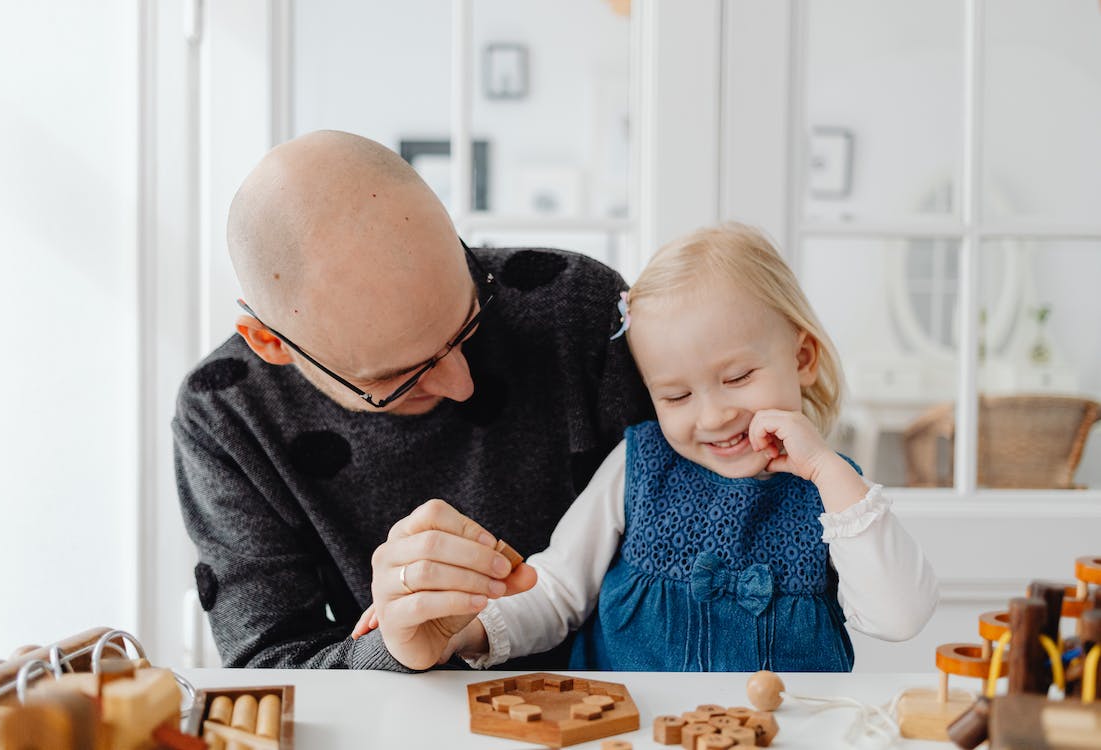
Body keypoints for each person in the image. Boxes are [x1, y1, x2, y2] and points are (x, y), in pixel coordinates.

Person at [172, 130, 652, 671]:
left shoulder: (576, 309)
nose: (462, 385)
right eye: (401, 376)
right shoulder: (227, 412)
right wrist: (393, 647)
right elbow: (269, 666)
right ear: (271, 343)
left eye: (467, 322)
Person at [430, 222, 939, 670]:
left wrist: (828, 471)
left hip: (785, 729)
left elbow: (899, 618)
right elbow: (557, 590)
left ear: (802, 358)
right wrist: (468, 632)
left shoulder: (835, 493)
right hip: (637, 726)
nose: (714, 416)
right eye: (676, 396)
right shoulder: (639, 464)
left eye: (737, 378)